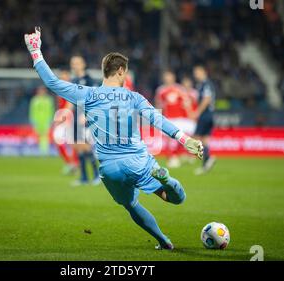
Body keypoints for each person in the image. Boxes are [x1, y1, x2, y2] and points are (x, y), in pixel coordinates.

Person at [24, 27, 203, 249]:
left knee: (130, 204)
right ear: (120, 71)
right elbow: (158, 120)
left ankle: (163, 241)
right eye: (125, 72)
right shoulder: (134, 97)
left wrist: (36, 52)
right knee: (176, 198)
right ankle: (165, 179)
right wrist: (185, 140)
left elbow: (52, 83)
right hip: (139, 161)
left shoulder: (88, 94)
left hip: (110, 168)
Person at [69, 55, 100, 186]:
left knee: (85, 146)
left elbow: (95, 99)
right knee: (77, 146)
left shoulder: (89, 80)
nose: (74, 65)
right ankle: (84, 177)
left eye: (77, 63)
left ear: (83, 64)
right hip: (76, 116)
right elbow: (72, 100)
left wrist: (87, 115)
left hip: (85, 117)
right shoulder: (73, 80)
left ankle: (97, 175)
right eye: (73, 63)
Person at [53, 70, 79, 174]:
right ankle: (72, 163)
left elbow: (69, 103)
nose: (63, 79)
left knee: (69, 141)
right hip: (62, 114)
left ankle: (74, 164)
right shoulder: (59, 89)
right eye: (62, 77)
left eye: (65, 77)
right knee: (66, 141)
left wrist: (64, 116)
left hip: (68, 115)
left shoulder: (70, 88)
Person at [193, 65, 216, 175]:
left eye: (197, 72)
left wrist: (198, 112)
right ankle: (206, 164)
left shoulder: (206, 84)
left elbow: (206, 99)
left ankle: (209, 158)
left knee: (197, 138)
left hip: (205, 114)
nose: (195, 75)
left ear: (203, 72)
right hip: (210, 114)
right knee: (205, 139)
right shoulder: (203, 85)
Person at [30, 86, 54, 155]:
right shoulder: (34, 100)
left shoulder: (48, 100)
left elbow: (51, 110)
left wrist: (50, 119)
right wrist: (33, 120)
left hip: (46, 121)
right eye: (40, 91)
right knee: (38, 135)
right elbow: (32, 110)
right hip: (37, 121)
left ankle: (44, 151)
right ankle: (39, 150)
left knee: (45, 136)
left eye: (42, 91)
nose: (41, 92)